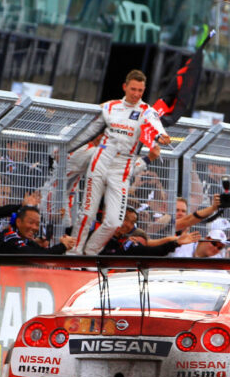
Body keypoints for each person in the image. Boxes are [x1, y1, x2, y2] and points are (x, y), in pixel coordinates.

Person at [71, 69, 170, 255]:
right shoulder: (109, 106)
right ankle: (73, 254)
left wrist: (160, 134)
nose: (136, 94)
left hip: (123, 166)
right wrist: (66, 147)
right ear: (125, 87)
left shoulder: (146, 111)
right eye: (133, 89)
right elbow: (87, 130)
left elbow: (155, 123)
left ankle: (90, 253)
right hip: (101, 160)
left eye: (140, 90)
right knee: (87, 213)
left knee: (114, 221)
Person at [99, 207, 198, 256]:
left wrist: (176, 243)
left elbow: (152, 251)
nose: (128, 225)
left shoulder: (128, 243)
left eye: (132, 222)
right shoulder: (95, 233)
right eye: (125, 219)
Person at [0, 206, 75, 255]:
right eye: (31, 223)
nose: (34, 227)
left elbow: (41, 252)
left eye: (37, 224)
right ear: (19, 222)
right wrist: (62, 246)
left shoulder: (23, 238)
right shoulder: (10, 237)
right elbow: (36, 257)